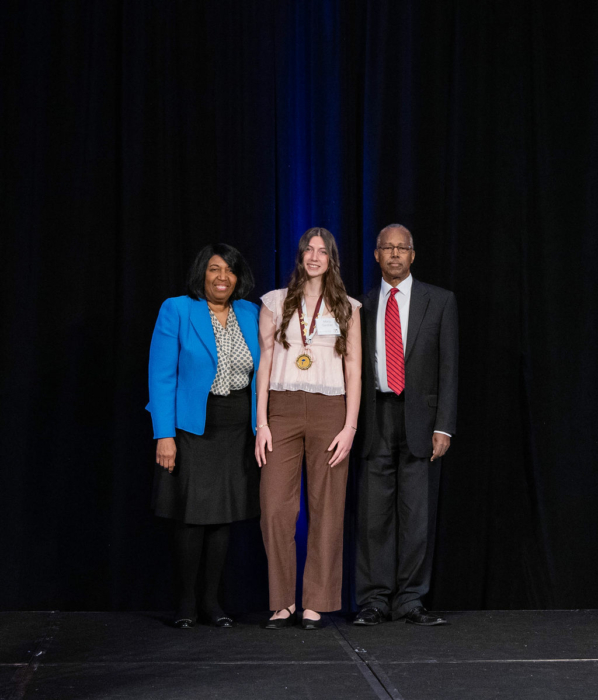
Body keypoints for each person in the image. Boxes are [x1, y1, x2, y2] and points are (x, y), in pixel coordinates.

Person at [146, 244, 260, 629]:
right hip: (193, 427)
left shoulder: (251, 313)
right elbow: (161, 376)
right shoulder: (177, 310)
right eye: (214, 269)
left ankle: (212, 601)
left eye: (229, 270)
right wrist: (164, 435)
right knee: (191, 516)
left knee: (223, 516)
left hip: (237, 428)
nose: (222, 277)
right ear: (202, 273)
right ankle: (186, 603)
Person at [255, 228, 361, 630]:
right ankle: (282, 602)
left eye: (322, 251)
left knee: (327, 507)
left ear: (331, 259)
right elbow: (265, 364)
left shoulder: (347, 307)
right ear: (300, 256)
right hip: (281, 408)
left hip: (330, 409)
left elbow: (353, 368)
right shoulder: (274, 302)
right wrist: (261, 422)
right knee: (275, 508)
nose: (314, 257)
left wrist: (350, 426)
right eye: (308, 250)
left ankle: (315, 601)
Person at [354, 224, 458, 627]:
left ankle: (411, 600)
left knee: (417, 515)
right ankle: (374, 600)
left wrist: (444, 426)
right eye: (387, 248)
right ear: (376, 255)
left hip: (422, 420)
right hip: (375, 416)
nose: (395, 254)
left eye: (402, 248)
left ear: (413, 255)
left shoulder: (440, 300)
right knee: (373, 515)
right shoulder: (360, 305)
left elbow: (449, 368)